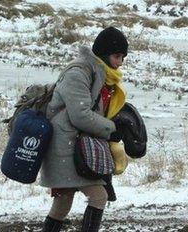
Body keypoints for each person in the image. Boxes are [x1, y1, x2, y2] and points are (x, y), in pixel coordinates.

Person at [39, 26, 129, 232]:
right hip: (65, 147)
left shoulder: (100, 75)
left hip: (75, 145)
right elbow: (80, 115)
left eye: (123, 57)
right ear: (104, 54)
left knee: (62, 204)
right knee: (99, 196)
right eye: (117, 56)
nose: (120, 63)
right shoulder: (78, 73)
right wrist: (111, 129)